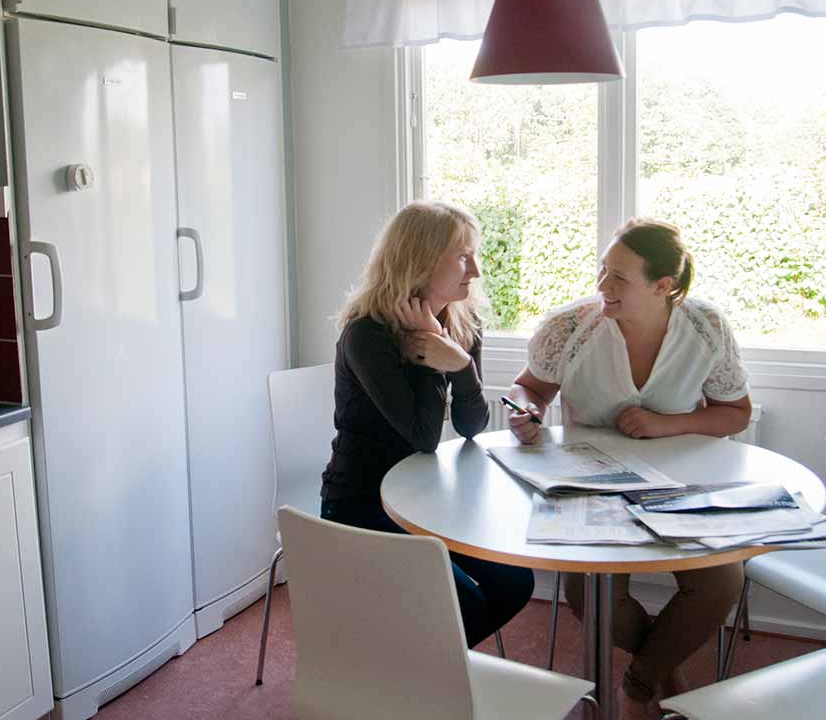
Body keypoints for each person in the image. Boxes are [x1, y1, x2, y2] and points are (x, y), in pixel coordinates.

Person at [506, 218, 753, 717]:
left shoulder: (706, 328)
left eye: (619, 278)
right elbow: (527, 388)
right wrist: (525, 412)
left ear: (664, 287)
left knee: (722, 582)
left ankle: (639, 681)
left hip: (680, 484)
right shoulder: (571, 327)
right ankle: (660, 671)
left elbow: (737, 413)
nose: (602, 287)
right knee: (589, 594)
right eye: (602, 271)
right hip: (588, 485)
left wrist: (664, 425)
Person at [321, 200, 535, 649]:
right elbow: (421, 437)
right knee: (468, 606)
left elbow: (472, 425)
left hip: (426, 503)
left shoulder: (464, 320)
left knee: (516, 584)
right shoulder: (367, 334)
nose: (475, 269)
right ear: (419, 259)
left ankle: (420, 667)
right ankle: (413, 675)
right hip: (362, 506)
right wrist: (431, 356)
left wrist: (459, 364)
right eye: (462, 255)